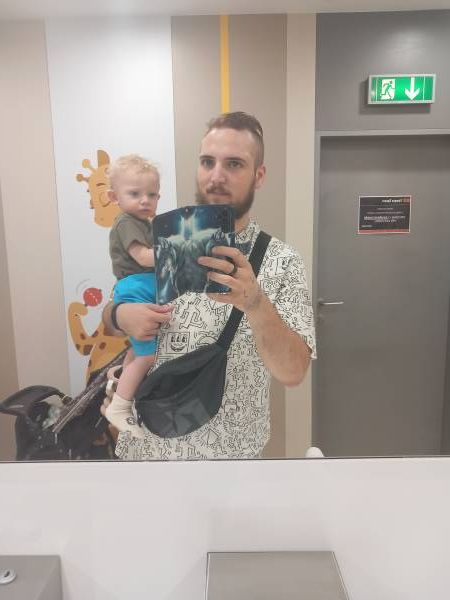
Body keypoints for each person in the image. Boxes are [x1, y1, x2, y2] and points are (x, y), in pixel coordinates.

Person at [103, 112, 316, 459]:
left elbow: (293, 373)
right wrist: (119, 315)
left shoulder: (282, 261)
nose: (216, 176)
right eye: (207, 162)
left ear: (259, 176)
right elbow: (111, 319)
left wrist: (256, 303)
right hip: (146, 454)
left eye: (234, 164)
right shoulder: (163, 237)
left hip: (231, 461)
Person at [104, 154, 161, 439]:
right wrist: (176, 252)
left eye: (151, 195)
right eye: (135, 194)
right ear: (114, 197)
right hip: (136, 287)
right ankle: (120, 406)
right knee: (148, 355)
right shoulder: (127, 222)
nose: (144, 200)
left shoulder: (143, 223)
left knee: (137, 350)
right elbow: (143, 257)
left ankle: (120, 389)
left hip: (141, 286)